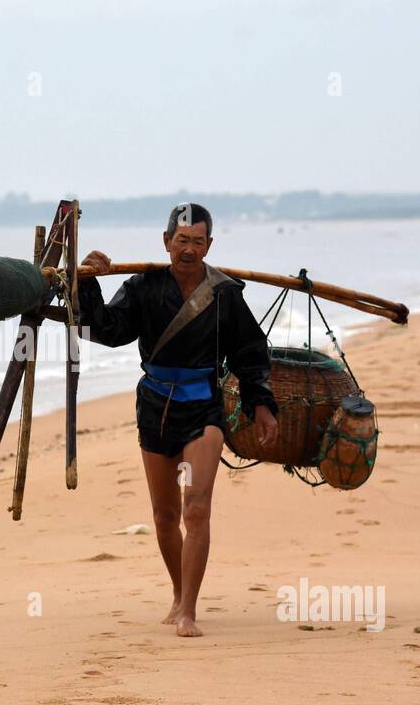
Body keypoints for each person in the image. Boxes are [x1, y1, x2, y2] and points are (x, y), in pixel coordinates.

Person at [77, 202, 278, 637]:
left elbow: (249, 352)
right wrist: (87, 283)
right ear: (166, 241)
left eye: (197, 242)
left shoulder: (225, 293)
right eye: (181, 240)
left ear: (209, 245)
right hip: (154, 405)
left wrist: (261, 404)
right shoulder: (143, 287)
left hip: (203, 406)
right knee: (165, 515)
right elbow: (105, 331)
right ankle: (177, 591)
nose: (188, 249)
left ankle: (189, 609)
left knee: (196, 509)